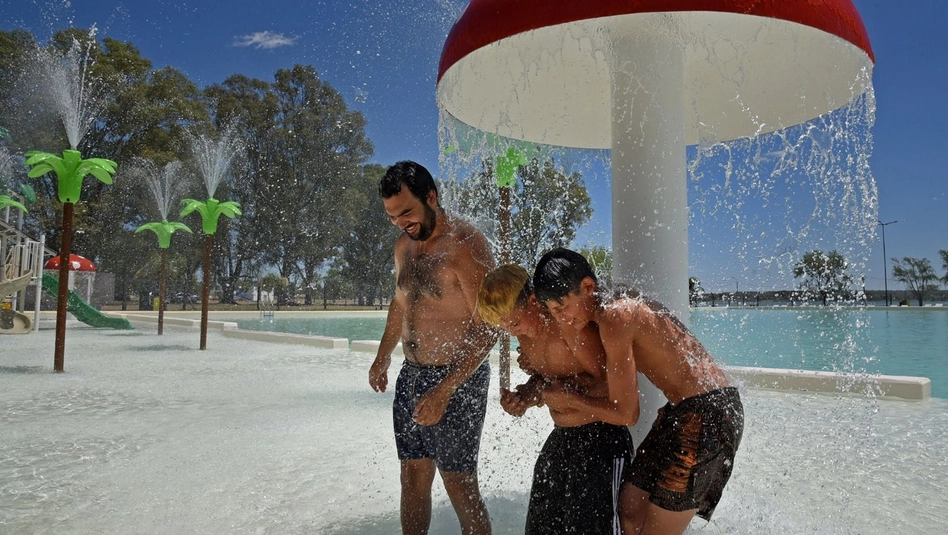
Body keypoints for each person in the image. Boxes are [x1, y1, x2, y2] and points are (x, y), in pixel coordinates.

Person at [533, 248, 744, 535]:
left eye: (561, 308)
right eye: (553, 312)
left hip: (710, 414)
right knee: (629, 515)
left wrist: (569, 399)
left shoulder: (614, 316)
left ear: (587, 287)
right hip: (682, 410)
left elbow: (627, 414)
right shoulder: (609, 301)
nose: (561, 319)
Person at [368, 160, 497, 535]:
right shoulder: (403, 246)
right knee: (412, 476)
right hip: (413, 375)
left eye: (406, 212)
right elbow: (400, 301)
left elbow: (489, 325)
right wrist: (382, 358)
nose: (400, 223)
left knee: (459, 484)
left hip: (458, 379)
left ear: (431, 197)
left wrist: (446, 388)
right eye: (392, 217)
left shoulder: (465, 246)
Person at [477, 264, 635, 535]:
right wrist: (525, 396)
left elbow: (611, 383)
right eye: (504, 327)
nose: (513, 332)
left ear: (534, 301)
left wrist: (565, 395)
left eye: (514, 322)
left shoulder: (569, 328)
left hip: (602, 441)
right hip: (562, 438)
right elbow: (548, 379)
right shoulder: (527, 336)